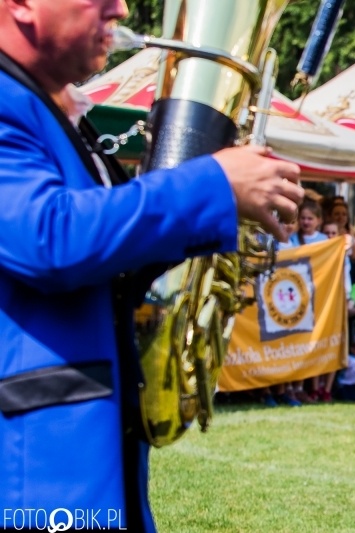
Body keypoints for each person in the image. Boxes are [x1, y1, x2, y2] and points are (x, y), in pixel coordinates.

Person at [0, 2, 304, 531]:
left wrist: (224, 224)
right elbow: (48, 239)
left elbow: (100, 261)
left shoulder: (45, 106)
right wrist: (213, 184)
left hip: (87, 461)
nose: (119, 6)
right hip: (38, 473)